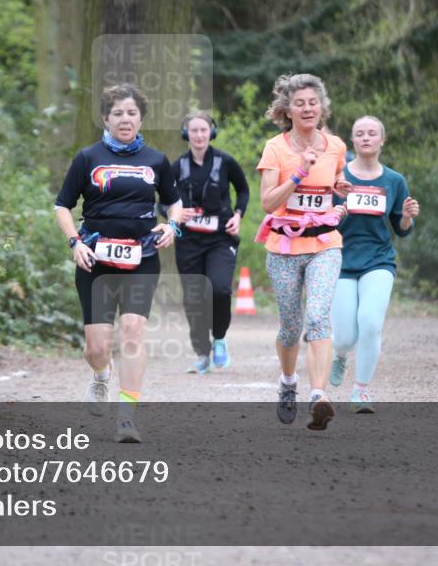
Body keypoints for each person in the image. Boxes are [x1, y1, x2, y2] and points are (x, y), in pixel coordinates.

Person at [54, 83, 183, 443]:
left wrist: (172, 225)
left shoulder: (156, 160)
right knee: (97, 347)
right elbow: (62, 205)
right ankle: (100, 375)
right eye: (118, 113)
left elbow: (174, 202)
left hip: (141, 256)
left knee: (132, 334)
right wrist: (74, 242)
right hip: (95, 258)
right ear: (105, 118)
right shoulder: (87, 157)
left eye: (132, 113)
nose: (125, 119)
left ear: (141, 118)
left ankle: (126, 417)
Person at [255, 74, 350, 430]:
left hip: (326, 244)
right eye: (300, 103)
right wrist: (298, 174)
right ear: (287, 110)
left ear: (322, 107)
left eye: (313, 102)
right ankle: (288, 383)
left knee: (318, 317)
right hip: (283, 247)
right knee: (290, 327)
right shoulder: (275, 148)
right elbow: (267, 203)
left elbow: (339, 188)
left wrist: (341, 193)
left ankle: (319, 396)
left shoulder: (337, 146)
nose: (308, 108)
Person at [329, 115, 419, 413]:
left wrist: (407, 216)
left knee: (370, 322)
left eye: (372, 133)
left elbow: (402, 228)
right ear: (352, 141)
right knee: (344, 336)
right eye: (360, 134)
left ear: (382, 140)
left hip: (379, 261)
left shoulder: (394, 180)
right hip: (340, 259)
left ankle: (361, 390)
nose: (366, 138)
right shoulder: (338, 177)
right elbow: (323, 220)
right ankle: (340, 355)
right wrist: (337, 207)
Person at [171, 113, 250, 374]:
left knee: (219, 289)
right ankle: (202, 353)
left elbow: (243, 190)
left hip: (220, 238)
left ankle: (219, 339)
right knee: (193, 299)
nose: (199, 135)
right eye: (194, 130)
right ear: (186, 134)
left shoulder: (225, 161)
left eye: (203, 130)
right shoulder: (177, 166)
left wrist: (238, 215)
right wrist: (175, 214)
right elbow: (161, 199)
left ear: (211, 132)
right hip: (188, 242)